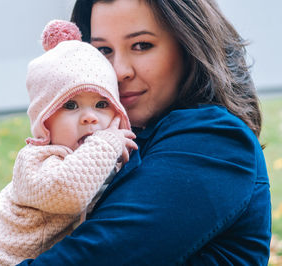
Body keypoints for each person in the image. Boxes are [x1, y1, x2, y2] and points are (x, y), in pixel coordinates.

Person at [14, 0, 272, 265]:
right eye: (103, 50)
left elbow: (94, 257)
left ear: (189, 47)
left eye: (141, 45)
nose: (118, 71)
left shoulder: (214, 139)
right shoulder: (110, 140)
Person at [0, 20, 138, 266]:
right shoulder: (35, 160)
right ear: (44, 119)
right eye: (70, 105)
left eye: (101, 104)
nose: (90, 116)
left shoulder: (103, 155)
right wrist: (107, 143)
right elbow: (67, 192)